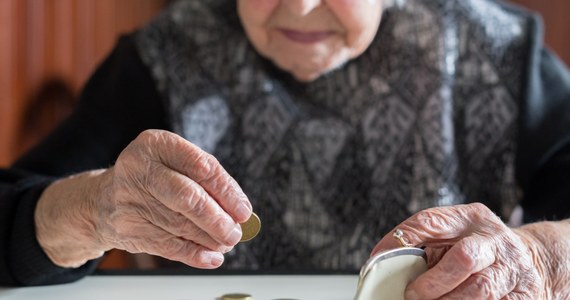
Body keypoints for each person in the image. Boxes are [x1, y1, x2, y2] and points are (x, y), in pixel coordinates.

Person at [1, 0, 569, 297]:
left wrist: (542, 259)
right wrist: (91, 208)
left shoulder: (499, 53)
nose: (298, 7)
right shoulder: (162, 57)